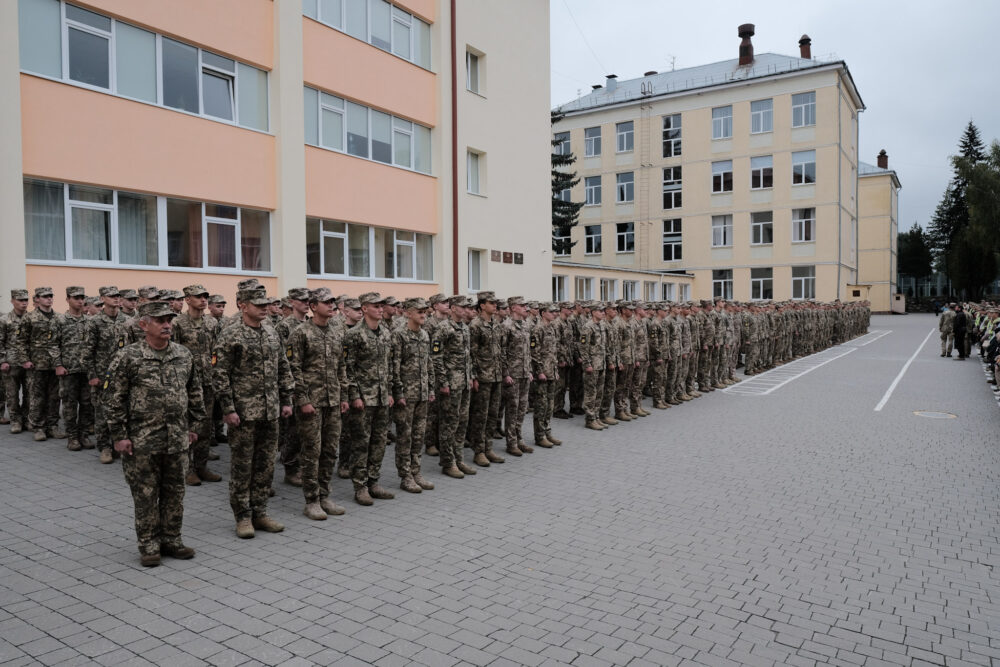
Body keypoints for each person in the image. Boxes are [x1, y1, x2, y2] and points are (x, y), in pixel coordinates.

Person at [104, 301, 205, 567]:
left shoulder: (183, 354)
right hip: (142, 439)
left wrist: (194, 426)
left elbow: (194, 391)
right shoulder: (128, 356)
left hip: (176, 437)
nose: (166, 325)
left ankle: (172, 539)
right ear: (143, 325)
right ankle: (149, 543)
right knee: (146, 493)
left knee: (175, 491)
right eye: (160, 320)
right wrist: (119, 435)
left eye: (169, 320)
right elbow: (114, 399)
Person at [213, 287, 293, 538]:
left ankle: (260, 511)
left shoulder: (271, 332)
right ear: (242, 305)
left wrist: (286, 399)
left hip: (270, 411)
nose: (264, 308)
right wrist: (227, 408)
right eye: (257, 304)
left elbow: (283, 366)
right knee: (242, 466)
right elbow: (219, 374)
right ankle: (243, 516)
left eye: (265, 304)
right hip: (244, 413)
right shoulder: (230, 335)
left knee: (266, 464)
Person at [287, 287, 349, 520]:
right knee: (312, 451)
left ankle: (325, 495)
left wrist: (343, 396)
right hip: (311, 403)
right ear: (313, 306)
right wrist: (302, 399)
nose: (332, 305)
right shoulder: (300, 333)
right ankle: (311, 500)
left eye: (333, 302)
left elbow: (341, 366)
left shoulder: (336, 331)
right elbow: (293, 369)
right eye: (326, 302)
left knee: (330, 451)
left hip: (333, 400)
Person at [343, 292, 396, 505]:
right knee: (361, 444)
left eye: (382, 306)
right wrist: (355, 395)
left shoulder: (385, 334)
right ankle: (360, 486)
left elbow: (389, 366)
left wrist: (390, 391)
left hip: (382, 397)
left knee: (379, 442)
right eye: (375, 306)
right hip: (364, 399)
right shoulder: (354, 335)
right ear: (364, 308)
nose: (380, 309)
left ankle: (374, 481)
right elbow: (348, 367)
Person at [171, 285, 221, 485]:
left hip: (208, 381)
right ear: (188, 299)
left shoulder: (211, 322)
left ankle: (202, 466)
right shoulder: (177, 323)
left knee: (205, 426)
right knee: (186, 425)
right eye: (198, 297)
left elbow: (217, 350)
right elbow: (172, 352)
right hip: (187, 382)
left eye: (205, 297)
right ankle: (187, 468)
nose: (203, 300)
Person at [391, 297, 436, 493]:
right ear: (408, 313)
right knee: (405, 436)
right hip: (406, 395)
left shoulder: (424, 335)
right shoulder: (399, 335)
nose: (423, 314)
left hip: (422, 393)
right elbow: (394, 366)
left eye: (425, 311)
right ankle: (405, 475)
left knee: (419, 435)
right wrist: (398, 392)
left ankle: (416, 471)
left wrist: (431, 388)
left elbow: (428, 363)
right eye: (419, 311)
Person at [82, 286, 127, 462]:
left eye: (117, 295)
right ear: (102, 298)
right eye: (111, 296)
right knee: (102, 413)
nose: (116, 299)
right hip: (102, 376)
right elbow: (87, 352)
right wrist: (92, 375)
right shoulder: (94, 322)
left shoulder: (127, 320)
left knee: (122, 412)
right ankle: (105, 447)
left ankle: (119, 444)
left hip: (123, 375)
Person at [13, 287, 62, 441]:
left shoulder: (59, 318)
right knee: (37, 397)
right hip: (36, 364)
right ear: (37, 299)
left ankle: (53, 425)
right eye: (45, 296)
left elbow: (62, 342)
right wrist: (25, 360)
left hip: (55, 364)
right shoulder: (30, 318)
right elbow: (20, 341)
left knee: (54, 397)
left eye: (51, 296)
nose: (49, 299)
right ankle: (38, 427)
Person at [55, 286, 93, 451]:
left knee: (86, 403)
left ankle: (83, 435)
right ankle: (72, 437)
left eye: (81, 298)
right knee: (70, 404)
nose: (80, 301)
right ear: (68, 299)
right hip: (69, 370)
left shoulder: (89, 321)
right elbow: (53, 345)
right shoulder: (60, 321)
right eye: (76, 298)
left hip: (86, 370)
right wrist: (58, 364)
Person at [2, 289, 31, 433]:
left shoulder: (32, 318)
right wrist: (2, 361)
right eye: (20, 300)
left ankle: (26, 420)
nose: (24, 303)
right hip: (11, 363)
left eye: (26, 300)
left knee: (29, 393)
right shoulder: (4, 319)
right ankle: (15, 421)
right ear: (12, 301)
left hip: (28, 363)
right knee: (12, 395)